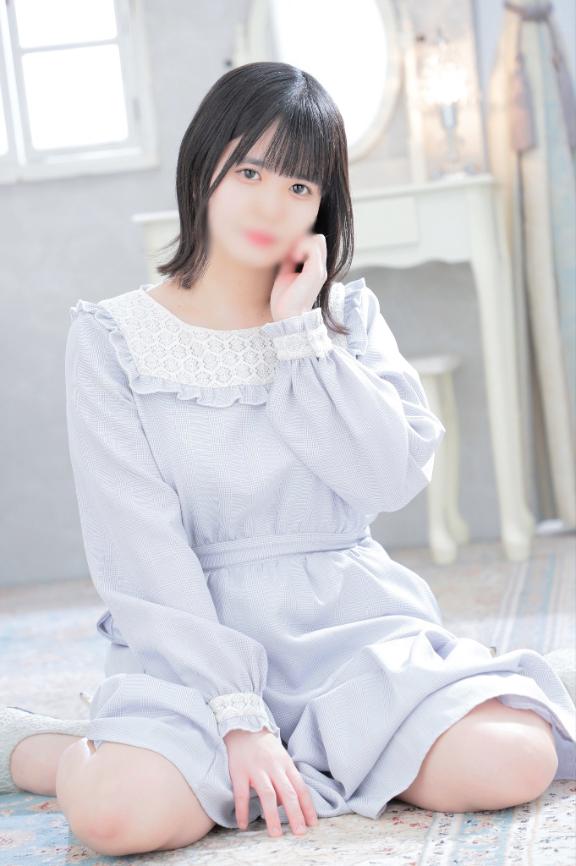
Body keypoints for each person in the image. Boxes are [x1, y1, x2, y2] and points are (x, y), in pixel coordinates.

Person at [2, 61, 575, 857]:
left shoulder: (343, 317)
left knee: (515, 759)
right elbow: (139, 547)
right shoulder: (112, 338)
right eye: (250, 172)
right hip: (195, 641)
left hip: (348, 626)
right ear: (204, 165)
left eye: (300, 186)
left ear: (322, 205)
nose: (272, 205)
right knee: (116, 818)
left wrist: (298, 335)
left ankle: (309, 749)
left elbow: (388, 479)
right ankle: (48, 746)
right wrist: (237, 716)